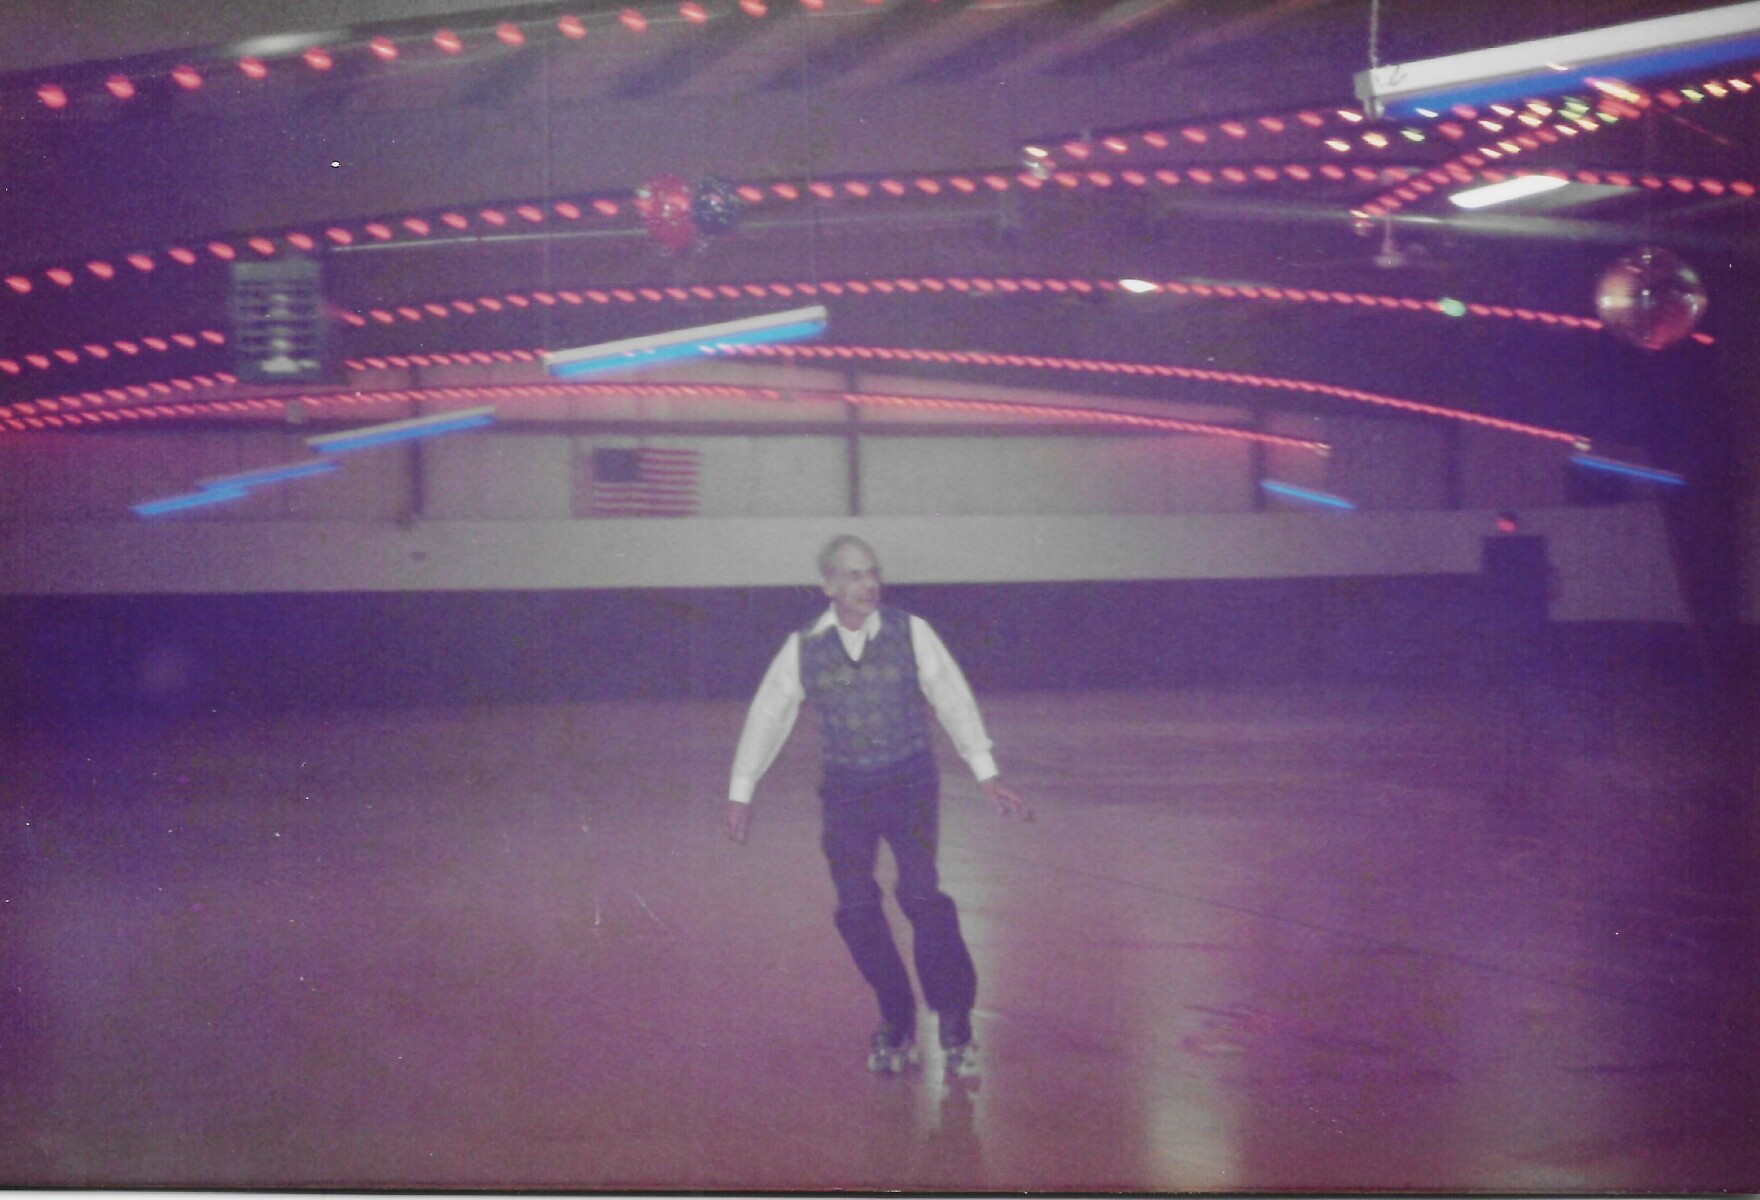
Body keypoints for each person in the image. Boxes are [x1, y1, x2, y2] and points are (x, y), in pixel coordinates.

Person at [725, 534, 1032, 1076]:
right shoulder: (803, 647)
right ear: (828, 586)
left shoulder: (911, 632)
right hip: (846, 791)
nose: (868, 584)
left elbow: (952, 697)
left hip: (909, 780)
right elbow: (769, 716)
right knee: (856, 908)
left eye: (872, 573)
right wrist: (741, 790)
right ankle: (896, 1015)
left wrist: (986, 772)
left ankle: (954, 1016)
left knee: (920, 894)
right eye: (853, 575)